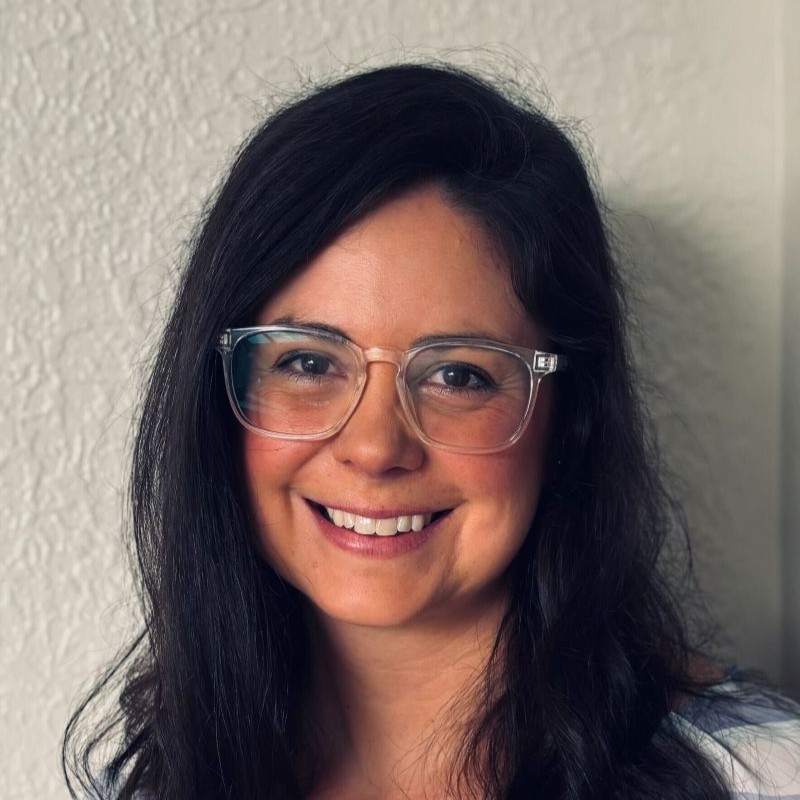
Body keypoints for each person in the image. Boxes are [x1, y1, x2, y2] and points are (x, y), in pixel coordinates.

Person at [64, 62, 800, 800]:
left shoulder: (760, 779)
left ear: (567, 419)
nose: (377, 447)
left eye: (458, 375)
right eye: (310, 361)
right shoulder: (148, 781)